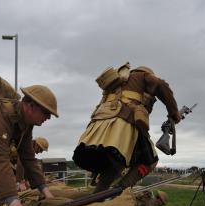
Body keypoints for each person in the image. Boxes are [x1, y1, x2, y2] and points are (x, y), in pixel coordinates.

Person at [73, 64, 181, 192]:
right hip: (124, 123)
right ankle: (120, 191)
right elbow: (161, 84)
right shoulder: (143, 75)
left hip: (97, 131)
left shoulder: (117, 84)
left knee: (116, 163)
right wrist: (174, 114)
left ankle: (98, 197)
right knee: (150, 161)